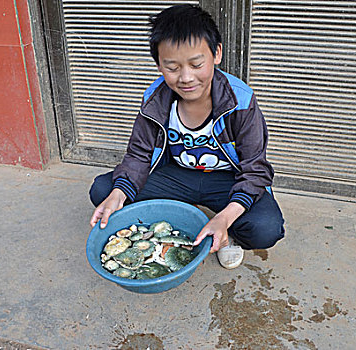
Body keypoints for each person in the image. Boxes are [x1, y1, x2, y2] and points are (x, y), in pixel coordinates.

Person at [89, 4, 284, 269]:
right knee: (104, 190)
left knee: (266, 228)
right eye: (172, 67)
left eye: (196, 64)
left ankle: (225, 236)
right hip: (177, 177)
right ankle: (171, 228)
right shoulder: (154, 99)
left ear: (216, 54)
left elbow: (256, 171)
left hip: (226, 181)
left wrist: (226, 217)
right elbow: (138, 155)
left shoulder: (241, 101)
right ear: (159, 65)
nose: (186, 77)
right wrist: (119, 193)